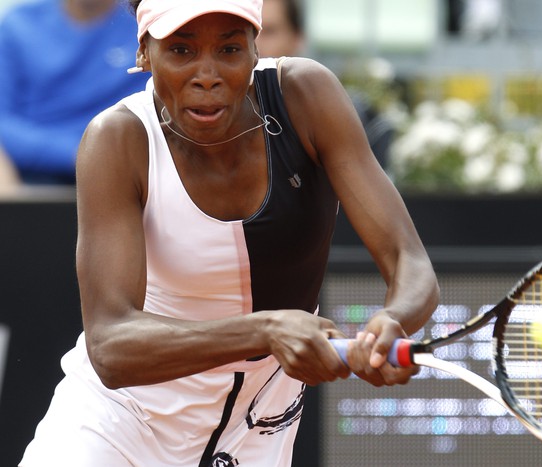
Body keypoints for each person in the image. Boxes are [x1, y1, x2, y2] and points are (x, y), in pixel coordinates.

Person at [19, 0, 440, 465]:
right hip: (117, 426)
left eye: (229, 49)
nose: (207, 75)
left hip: (259, 428)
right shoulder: (117, 139)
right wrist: (264, 330)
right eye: (181, 50)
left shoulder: (307, 95)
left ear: (255, 49)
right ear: (143, 52)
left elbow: (409, 261)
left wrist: (393, 321)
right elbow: (111, 346)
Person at [0, 0, 150, 184]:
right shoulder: (17, 25)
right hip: (34, 179)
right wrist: (79, 153)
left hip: (127, 172)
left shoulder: (145, 22)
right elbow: (3, 123)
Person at [256, 0, 395, 168]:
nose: (255, 44)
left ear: (297, 38)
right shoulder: (226, 115)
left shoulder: (333, 111)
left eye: (268, 31)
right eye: (248, 32)